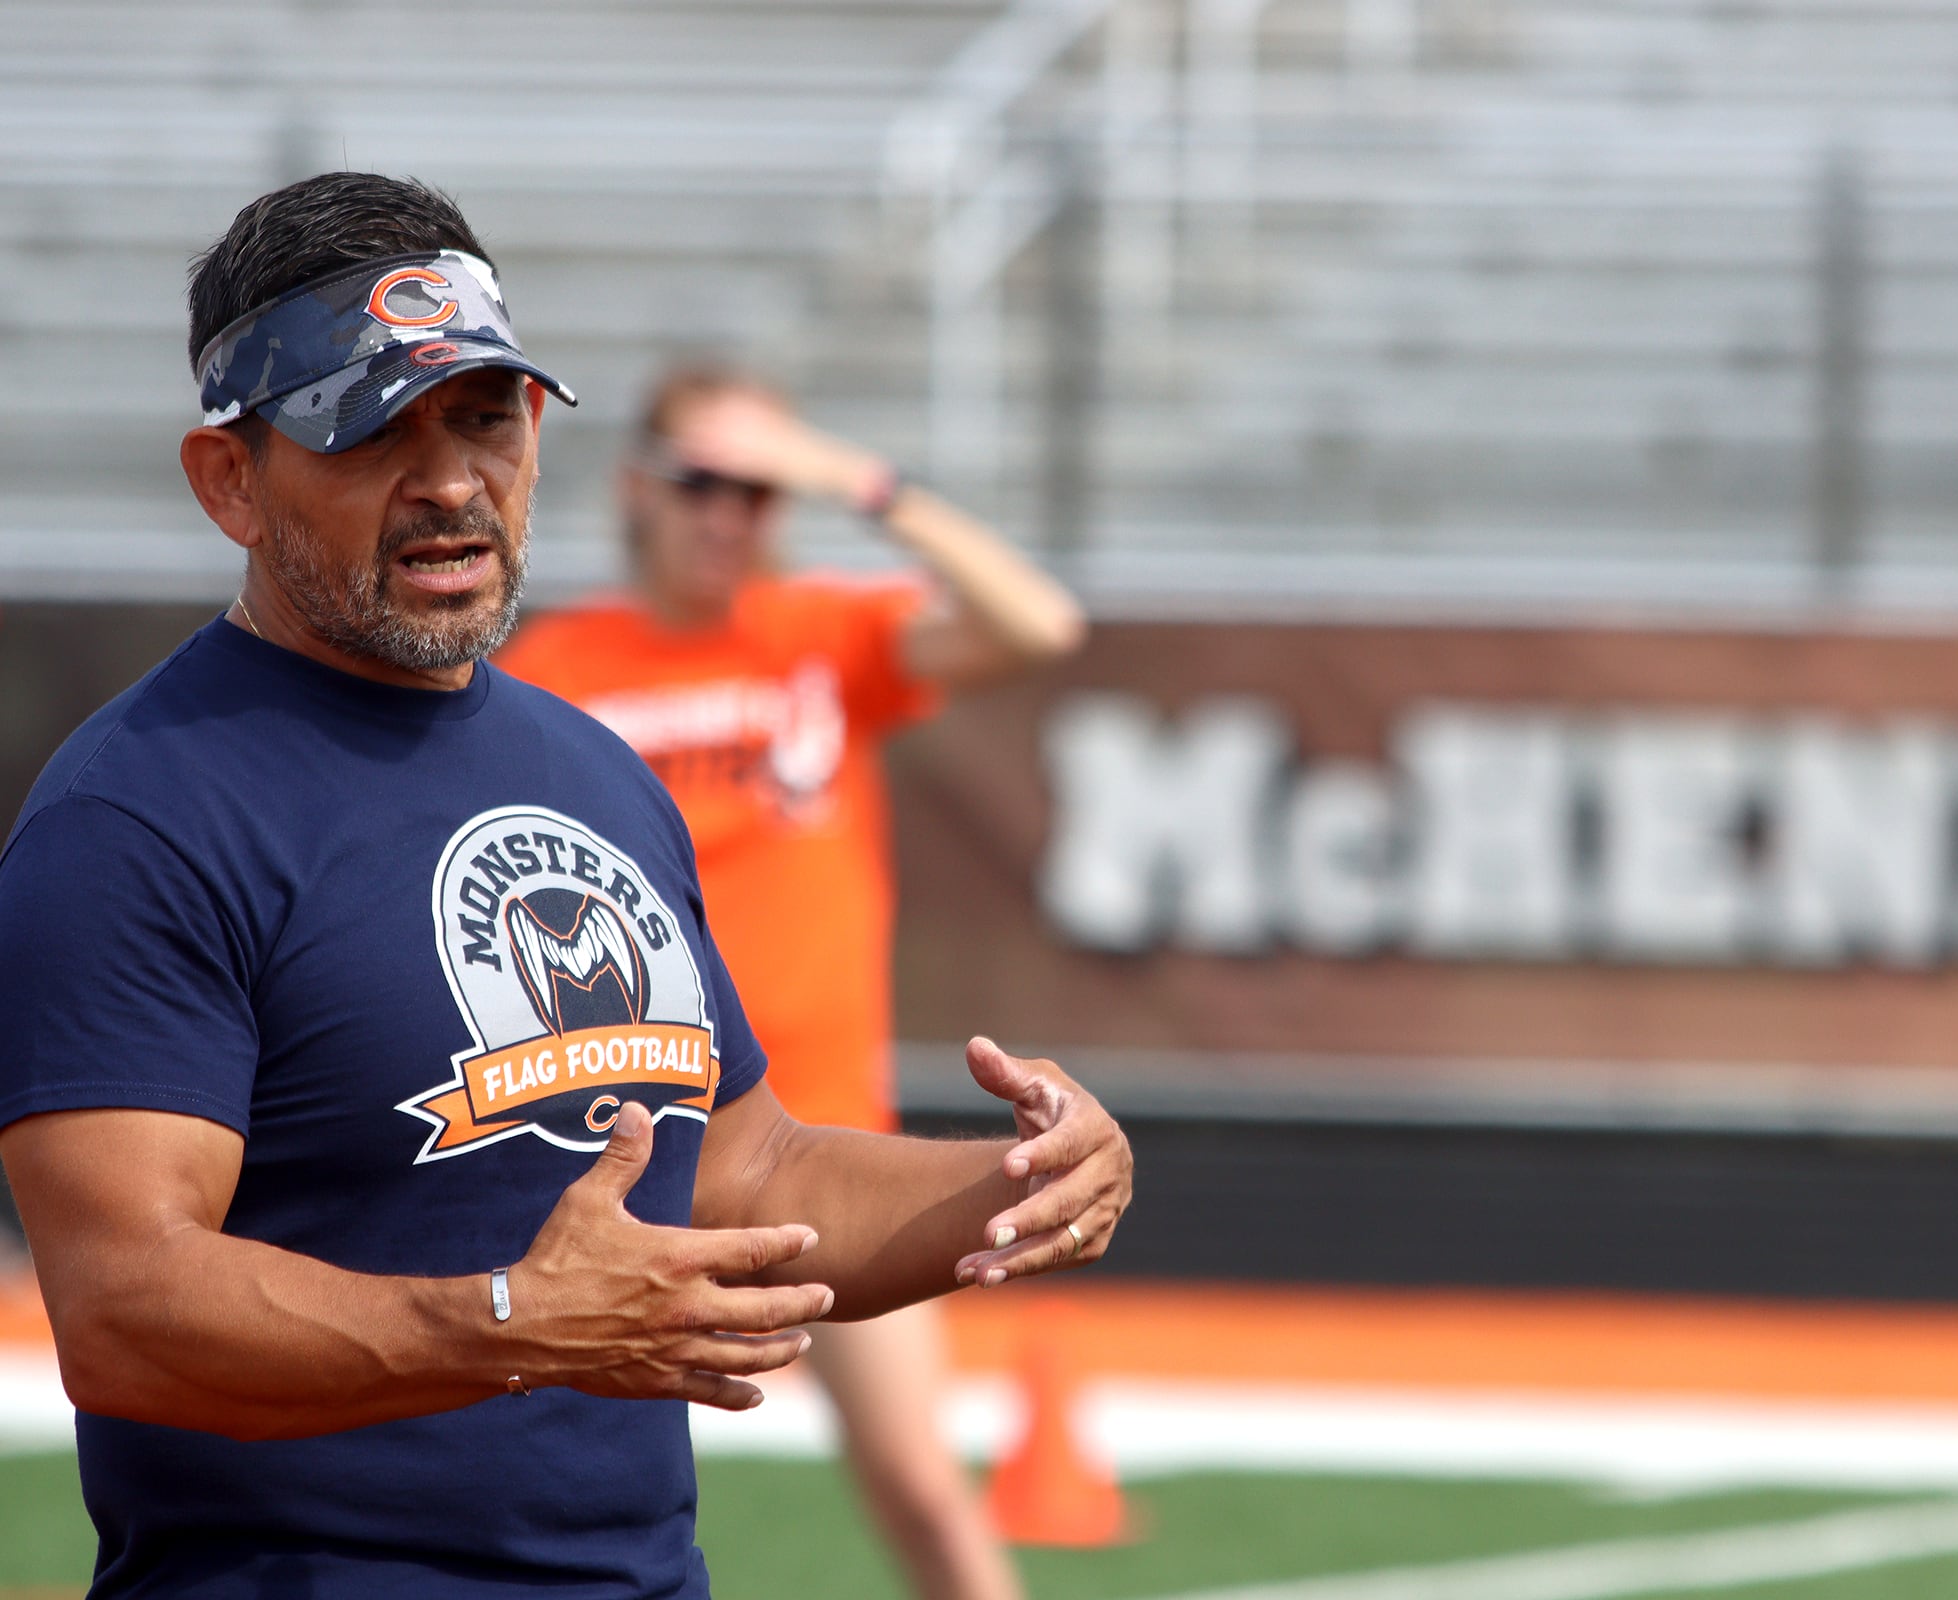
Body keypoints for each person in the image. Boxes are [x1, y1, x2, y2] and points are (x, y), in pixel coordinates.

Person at [0, 171, 1132, 1600]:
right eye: (372, 431)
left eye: (482, 417)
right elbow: (122, 1309)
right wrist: (508, 1322)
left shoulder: (595, 771)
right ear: (230, 478)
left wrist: (1021, 1187)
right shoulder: (137, 815)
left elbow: (744, 1170)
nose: (452, 484)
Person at [500, 367, 1082, 1600]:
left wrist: (856, 478)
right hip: (617, 1148)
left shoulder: (818, 633)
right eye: (704, 483)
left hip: (819, 1142)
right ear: (638, 492)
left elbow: (1040, 623)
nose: (731, 517)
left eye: (759, 492)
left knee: (924, 1488)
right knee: (527, 1486)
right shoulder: (558, 667)